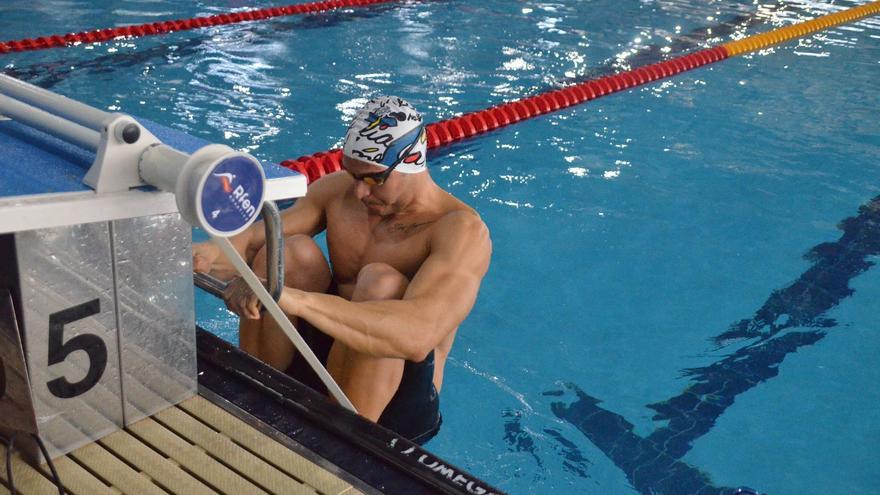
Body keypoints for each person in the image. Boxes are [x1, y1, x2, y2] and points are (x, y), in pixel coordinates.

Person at [192, 96, 491, 443]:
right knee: (288, 252)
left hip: (396, 407)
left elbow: (417, 336)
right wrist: (203, 253)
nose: (360, 192)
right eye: (353, 175)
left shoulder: (459, 230)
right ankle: (257, 397)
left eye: (374, 179)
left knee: (381, 283)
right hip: (327, 364)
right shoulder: (340, 192)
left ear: (411, 161)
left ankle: (341, 443)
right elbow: (253, 239)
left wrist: (295, 300)